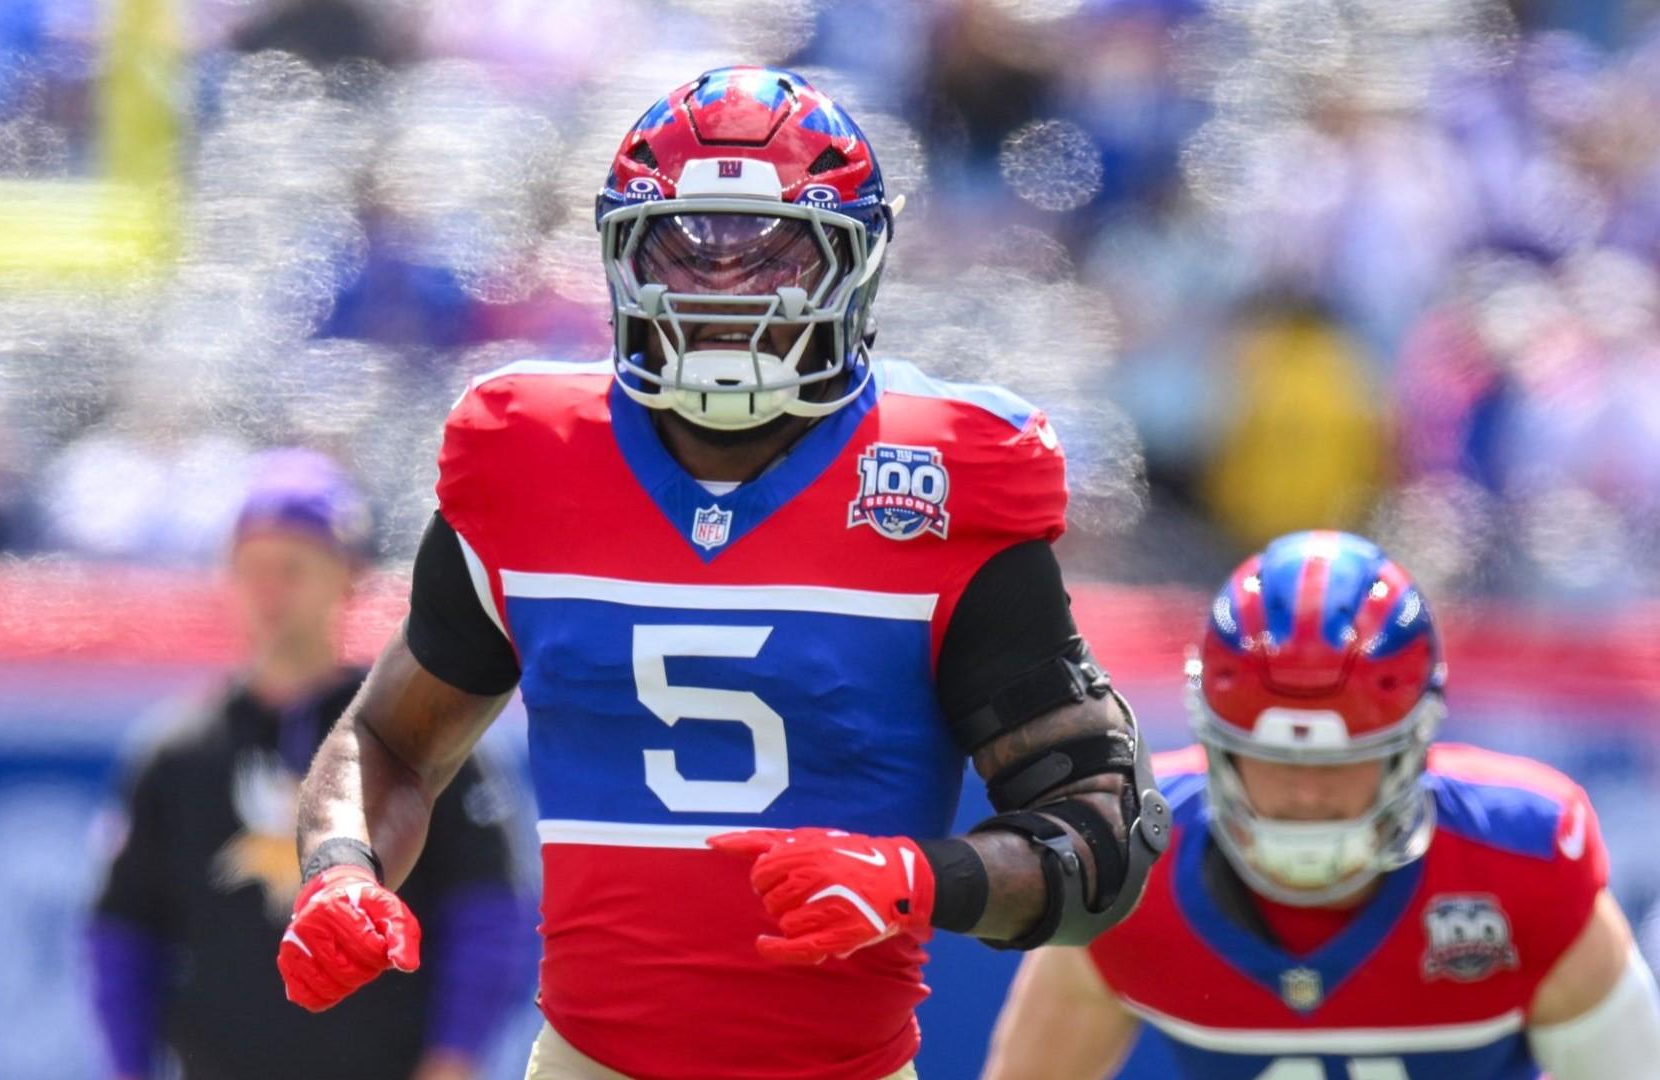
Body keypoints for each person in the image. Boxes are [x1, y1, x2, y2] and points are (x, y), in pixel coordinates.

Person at [274, 67, 1170, 1080]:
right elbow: (391, 736)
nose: (724, 294)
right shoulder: (529, 459)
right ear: (620, 257)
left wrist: (922, 880)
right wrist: (343, 871)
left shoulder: (938, 481)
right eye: (684, 251)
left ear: (854, 264)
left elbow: (1102, 834)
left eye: (775, 255)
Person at [982, 530, 1660, 1080]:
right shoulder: (1132, 868)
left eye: (1342, 763)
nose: (1306, 793)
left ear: (1414, 745)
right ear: (1216, 744)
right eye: (1274, 760)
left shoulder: (1524, 863)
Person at [87, 449, 532, 1080]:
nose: (270, 592)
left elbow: (487, 914)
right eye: (253, 568)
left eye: (293, 568)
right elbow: (124, 937)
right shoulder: (180, 752)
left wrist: (454, 1058)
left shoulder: (410, 736)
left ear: (346, 575)